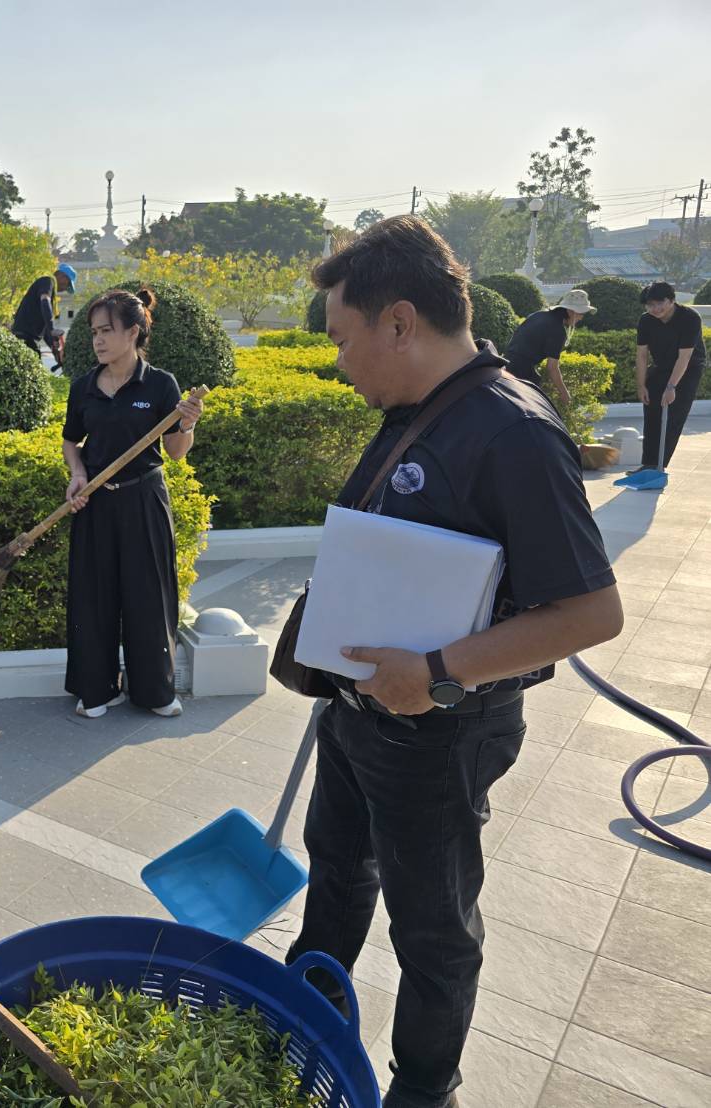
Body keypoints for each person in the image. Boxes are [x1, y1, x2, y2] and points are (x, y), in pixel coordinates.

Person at [286, 217, 623, 1108]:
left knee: (432, 931)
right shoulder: (414, 411)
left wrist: (436, 670)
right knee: (335, 880)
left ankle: (423, 1091)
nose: (337, 361)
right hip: (358, 714)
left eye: (341, 339)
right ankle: (299, 1037)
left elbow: (592, 612)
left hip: (438, 732)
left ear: (398, 322)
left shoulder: (513, 433)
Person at [61, 287, 204, 719]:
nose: (98, 340)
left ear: (133, 332)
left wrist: (187, 425)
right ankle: (97, 689)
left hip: (144, 499)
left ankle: (155, 691)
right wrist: (78, 474)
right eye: (94, 332)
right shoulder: (84, 387)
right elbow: (71, 442)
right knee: (93, 597)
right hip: (96, 503)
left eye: (107, 330)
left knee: (148, 596)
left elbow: (176, 452)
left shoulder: (159, 384)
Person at [633, 280, 706, 473]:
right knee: (652, 411)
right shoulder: (646, 320)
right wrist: (641, 386)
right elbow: (642, 355)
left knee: (673, 415)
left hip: (688, 368)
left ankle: (660, 466)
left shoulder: (689, 318)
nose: (655, 309)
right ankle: (648, 465)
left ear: (671, 300)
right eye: (650, 305)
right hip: (661, 366)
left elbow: (685, 357)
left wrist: (671, 387)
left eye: (660, 303)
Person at [502, 288, 595, 408]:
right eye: (581, 313)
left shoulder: (538, 315)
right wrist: (565, 394)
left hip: (504, 366)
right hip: (520, 374)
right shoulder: (558, 330)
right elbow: (552, 368)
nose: (581, 318)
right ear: (570, 311)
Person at [13, 262, 78, 367]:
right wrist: (52, 329)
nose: (65, 289)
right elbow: (45, 301)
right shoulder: (47, 281)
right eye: (67, 284)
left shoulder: (49, 289)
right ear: (62, 276)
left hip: (27, 337)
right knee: (33, 369)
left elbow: (46, 329)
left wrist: (55, 351)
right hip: (24, 336)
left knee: (34, 367)